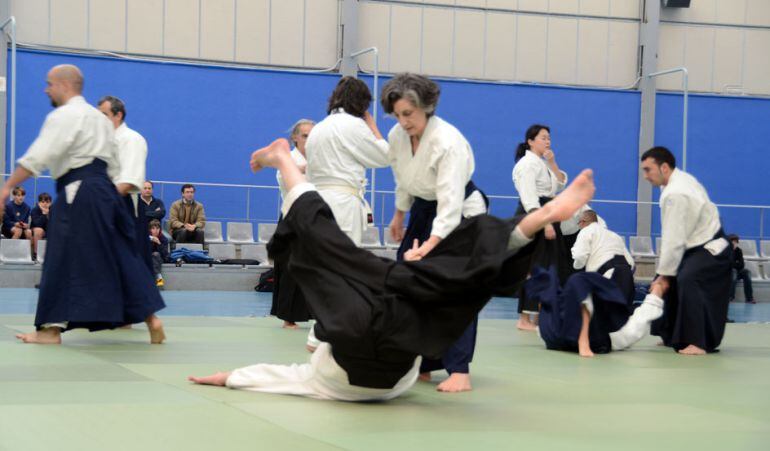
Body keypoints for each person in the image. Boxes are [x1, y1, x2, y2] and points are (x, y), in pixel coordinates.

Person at [188, 138, 597, 401]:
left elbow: (279, 376)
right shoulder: (404, 301)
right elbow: (278, 375)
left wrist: (230, 377)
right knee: (442, 283)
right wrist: (233, 377)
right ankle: (525, 225)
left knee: (336, 256)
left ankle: (285, 163)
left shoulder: (320, 373)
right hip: (396, 371)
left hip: (353, 369)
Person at [0, 64, 165, 344]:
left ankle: (49, 331)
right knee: (119, 255)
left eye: (49, 84)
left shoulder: (64, 115)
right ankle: (152, 318)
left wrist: (6, 187)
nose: (46, 89)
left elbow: (37, 157)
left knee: (59, 256)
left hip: (79, 190)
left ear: (64, 85)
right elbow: (113, 163)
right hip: (105, 191)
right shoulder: (99, 120)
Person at [382, 73, 488, 393]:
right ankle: (425, 363)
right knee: (410, 283)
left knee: (453, 289)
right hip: (422, 209)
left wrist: (430, 245)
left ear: (427, 107)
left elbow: (450, 201)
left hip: (460, 214)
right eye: (398, 115)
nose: (403, 122)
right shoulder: (398, 136)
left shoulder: (448, 141)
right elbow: (402, 176)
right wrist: (400, 213)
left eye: (409, 114)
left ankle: (459, 369)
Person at [642, 146, 732, 355]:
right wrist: (663, 275)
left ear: (664, 167)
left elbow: (674, 239)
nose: (645, 176)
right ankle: (670, 334)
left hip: (712, 247)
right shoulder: (675, 181)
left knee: (688, 278)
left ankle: (698, 342)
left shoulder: (676, 193)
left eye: (648, 170)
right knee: (666, 277)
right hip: (693, 245)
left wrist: (665, 275)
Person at [305, 76, 389, 246]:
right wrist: (372, 126)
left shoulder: (318, 128)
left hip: (314, 203)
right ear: (362, 103)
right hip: (342, 205)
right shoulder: (353, 125)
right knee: (342, 263)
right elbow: (385, 156)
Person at [527, 266, 665, 357]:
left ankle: (658, 290)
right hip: (584, 336)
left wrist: (584, 342)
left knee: (635, 325)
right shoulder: (549, 325)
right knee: (633, 327)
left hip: (592, 337)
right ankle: (658, 290)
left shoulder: (550, 325)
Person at [512, 124, 570, 331]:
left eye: (549, 138)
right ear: (530, 141)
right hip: (534, 215)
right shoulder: (527, 164)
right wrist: (544, 223)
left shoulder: (541, 163)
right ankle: (524, 318)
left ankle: (536, 316)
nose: (548, 141)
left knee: (546, 266)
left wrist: (552, 162)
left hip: (546, 213)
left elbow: (561, 183)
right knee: (533, 267)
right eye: (543, 137)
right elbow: (529, 197)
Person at [98, 95, 153, 271]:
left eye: (104, 115)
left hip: (123, 206)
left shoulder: (132, 139)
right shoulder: (102, 142)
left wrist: (100, 201)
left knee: (131, 269)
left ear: (118, 115)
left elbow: (128, 181)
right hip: (105, 203)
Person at [271, 119, 315, 329]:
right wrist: (308, 168)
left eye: (312, 135)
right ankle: (288, 316)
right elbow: (288, 180)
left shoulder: (320, 159)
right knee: (291, 267)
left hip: (315, 218)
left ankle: (318, 313)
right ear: (294, 138)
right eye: (305, 135)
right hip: (292, 217)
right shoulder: (287, 160)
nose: (309, 139)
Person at [571, 209, 636, 306]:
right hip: (626, 276)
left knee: (602, 316)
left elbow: (579, 255)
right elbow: (631, 263)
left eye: (578, 223)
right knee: (623, 316)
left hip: (606, 276)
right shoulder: (614, 235)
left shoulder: (586, 231)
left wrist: (577, 265)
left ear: (583, 222)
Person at [727, 234, 755, 304]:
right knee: (733, 271)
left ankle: (749, 298)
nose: (734, 243)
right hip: (726, 273)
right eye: (732, 241)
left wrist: (734, 265)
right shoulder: (725, 251)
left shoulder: (739, 250)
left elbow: (741, 265)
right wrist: (735, 263)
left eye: (736, 241)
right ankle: (730, 297)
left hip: (736, 271)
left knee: (747, 272)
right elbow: (727, 264)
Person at [30, 192, 52, 259]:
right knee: (39, 230)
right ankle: (36, 254)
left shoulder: (53, 210)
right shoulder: (35, 210)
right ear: (39, 203)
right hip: (35, 230)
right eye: (42, 202)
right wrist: (44, 214)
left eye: (47, 202)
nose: (45, 204)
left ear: (50, 203)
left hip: (47, 231)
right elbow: (37, 224)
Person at [149, 219, 169, 287]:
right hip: (148, 257)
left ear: (160, 229)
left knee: (156, 255)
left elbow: (165, 255)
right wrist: (151, 240)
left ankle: (157, 278)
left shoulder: (164, 239)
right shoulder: (146, 238)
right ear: (150, 230)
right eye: (153, 228)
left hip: (159, 258)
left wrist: (159, 243)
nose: (155, 230)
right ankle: (159, 277)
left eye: (157, 228)